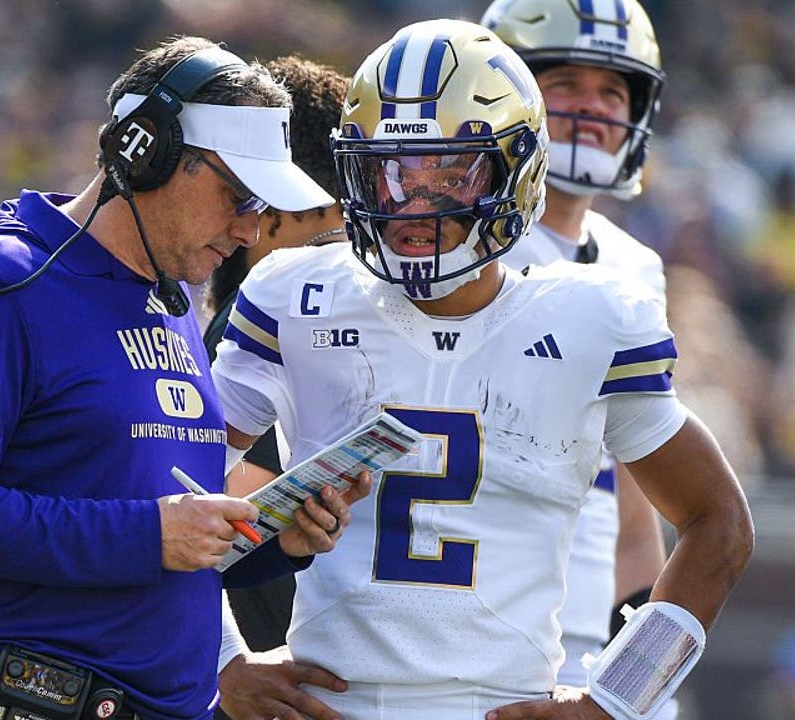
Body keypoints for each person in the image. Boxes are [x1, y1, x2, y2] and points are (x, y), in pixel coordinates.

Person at [212, 18, 753, 720]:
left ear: (515, 172)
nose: (414, 205)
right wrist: (220, 659)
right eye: (391, 172)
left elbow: (719, 522)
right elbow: (169, 483)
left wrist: (618, 700)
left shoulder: (595, 315)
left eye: (448, 173)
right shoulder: (297, 295)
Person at [0, 36, 371, 720]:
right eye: (237, 197)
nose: (250, 229)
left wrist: (274, 540)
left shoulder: (171, 296)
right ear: (147, 153)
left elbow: (158, 533)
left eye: (262, 207)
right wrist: (149, 535)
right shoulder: (1, 278)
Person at [480, 1, 678, 715]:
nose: (592, 108)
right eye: (564, 83)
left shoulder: (635, 268)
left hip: (587, 660)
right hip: (466, 644)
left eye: (612, 91)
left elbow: (636, 512)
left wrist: (640, 691)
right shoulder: (462, 249)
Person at [202, 55, 350, 661]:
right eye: (344, 206)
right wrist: (229, 665)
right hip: (278, 674)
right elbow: (213, 526)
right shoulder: (268, 328)